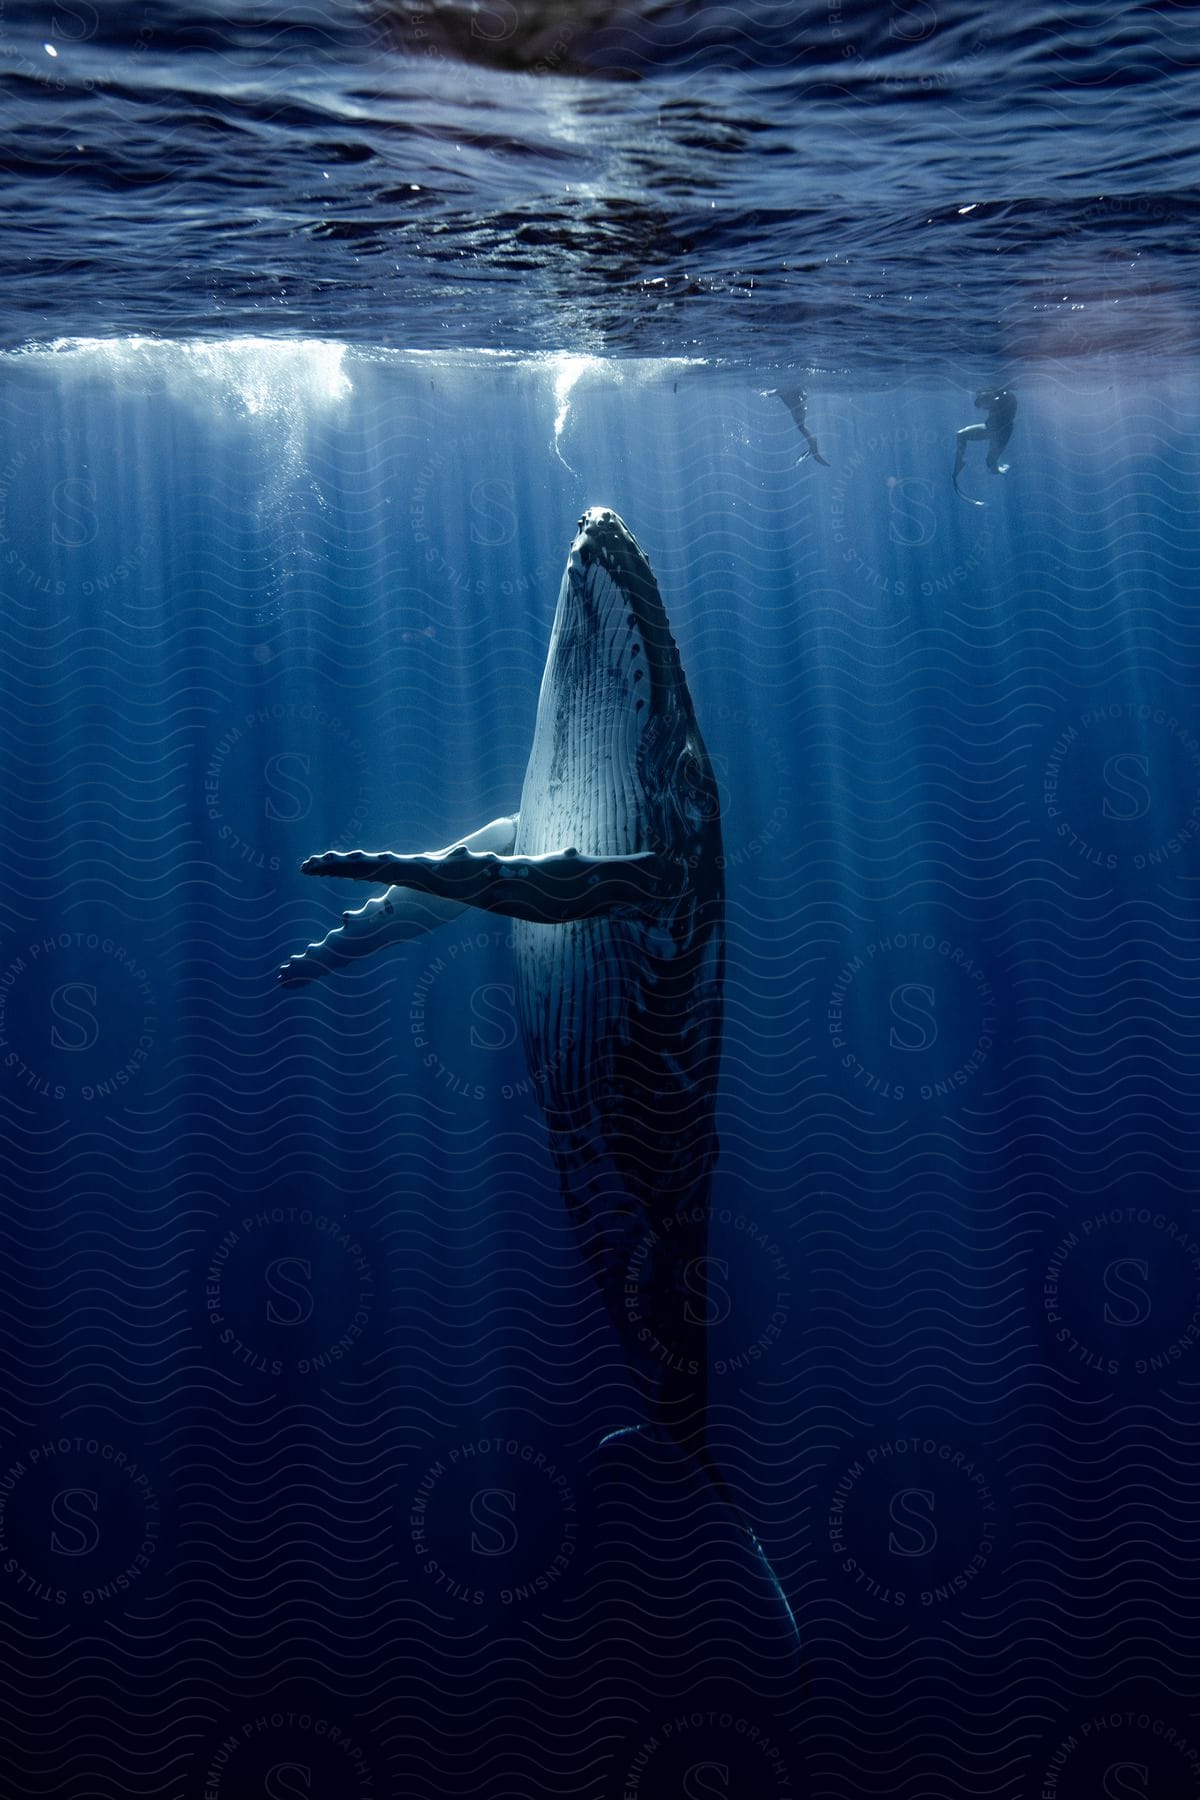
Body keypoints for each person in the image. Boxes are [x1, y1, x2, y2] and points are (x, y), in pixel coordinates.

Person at [953, 388, 1016, 504]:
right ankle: (960, 463)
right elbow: (980, 403)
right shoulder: (995, 397)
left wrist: (985, 399)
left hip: (1002, 433)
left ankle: (997, 469)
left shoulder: (1006, 397)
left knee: (990, 462)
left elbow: (994, 405)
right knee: (960, 435)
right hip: (989, 428)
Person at [767, 384, 829, 466]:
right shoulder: (783, 389)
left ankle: (813, 445)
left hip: (798, 409)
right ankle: (813, 444)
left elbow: (771, 393)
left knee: (801, 426)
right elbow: (803, 394)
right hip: (799, 407)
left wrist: (766, 393)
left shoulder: (780, 389)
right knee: (801, 427)